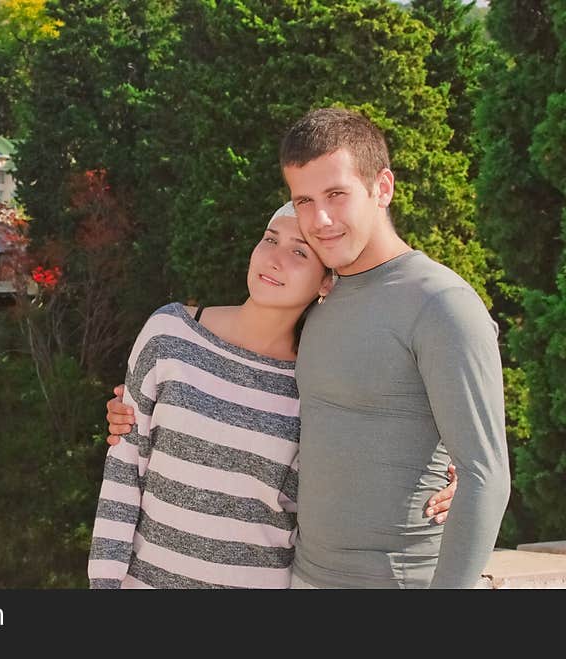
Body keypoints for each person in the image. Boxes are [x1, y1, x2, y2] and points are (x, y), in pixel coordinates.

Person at [103, 107, 509, 589]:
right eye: (303, 199)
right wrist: (136, 412)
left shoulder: (443, 304)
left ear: (383, 187)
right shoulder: (323, 308)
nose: (319, 218)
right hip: (299, 579)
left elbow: (485, 473)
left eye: (336, 195)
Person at [88, 204, 333, 588]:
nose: (274, 258)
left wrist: (451, 475)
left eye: (299, 251)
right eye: (270, 240)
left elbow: (341, 492)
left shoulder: (318, 385)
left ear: (326, 283)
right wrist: (104, 584)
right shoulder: (170, 333)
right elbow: (123, 469)